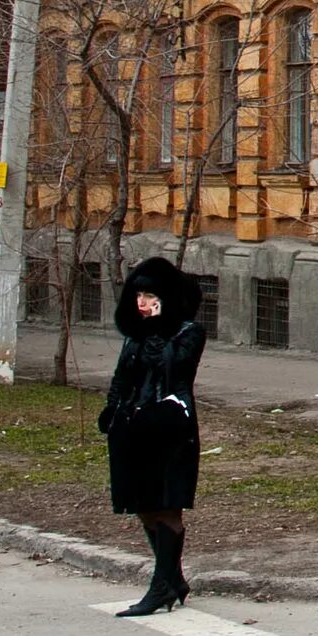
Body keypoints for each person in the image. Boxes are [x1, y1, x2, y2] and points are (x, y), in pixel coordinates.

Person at [98, 255, 205, 616]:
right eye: (137, 295)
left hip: (171, 427)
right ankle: (172, 580)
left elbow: (176, 368)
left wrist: (158, 332)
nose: (141, 303)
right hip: (133, 429)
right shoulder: (133, 336)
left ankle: (161, 587)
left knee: (168, 506)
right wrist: (112, 410)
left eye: (149, 296)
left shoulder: (188, 332)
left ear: (166, 298)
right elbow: (121, 377)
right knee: (143, 506)